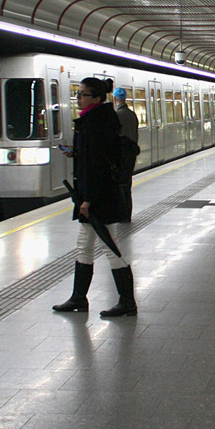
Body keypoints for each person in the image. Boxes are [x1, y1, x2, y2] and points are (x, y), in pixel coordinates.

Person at [54, 77, 136, 317]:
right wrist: (76, 153)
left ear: (97, 98)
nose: (78, 99)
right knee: (84, 246)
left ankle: (127, 302)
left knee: (110, 247)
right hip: (96, 195)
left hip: (98, 198)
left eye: (82, 95)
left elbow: (97, 166)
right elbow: (93, 158)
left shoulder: (94, 123)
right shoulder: (96, 120)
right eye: (77, 95)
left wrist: (88, 200)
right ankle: (79, 298)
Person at [112, 87, 140, 217]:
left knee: (121, 185)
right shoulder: (132, 115)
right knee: (127, 184)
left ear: (115, 99)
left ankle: (122, 214)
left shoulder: (116, 116)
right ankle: (127, 212)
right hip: (131, 153)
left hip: (121, 154)